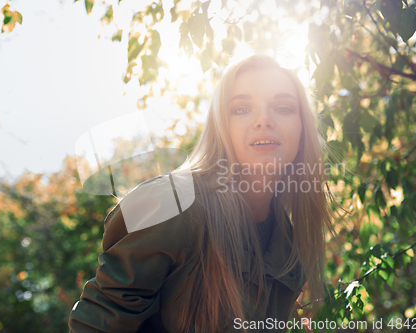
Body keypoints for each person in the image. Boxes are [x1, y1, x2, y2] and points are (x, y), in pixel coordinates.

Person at [68, 54, 335, 333]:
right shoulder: (171, 202)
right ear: (221, 127)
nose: (263, 120)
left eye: (283, 107)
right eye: (242, 109)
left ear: (303, 130)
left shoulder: (290, 244)